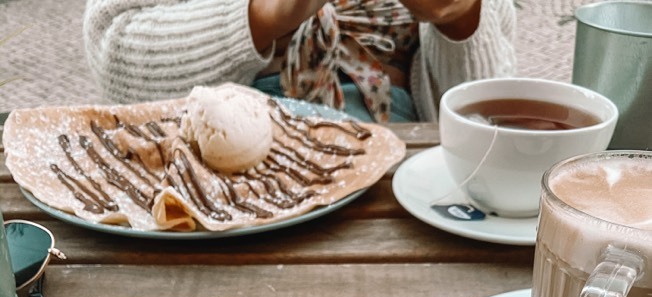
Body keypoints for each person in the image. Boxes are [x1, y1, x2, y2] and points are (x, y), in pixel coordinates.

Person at [83, 0, 516, 123]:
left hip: (399, 179)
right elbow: (115, 56)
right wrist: (261, 17)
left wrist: (460, 20)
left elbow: (493, 117)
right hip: (210, 179)